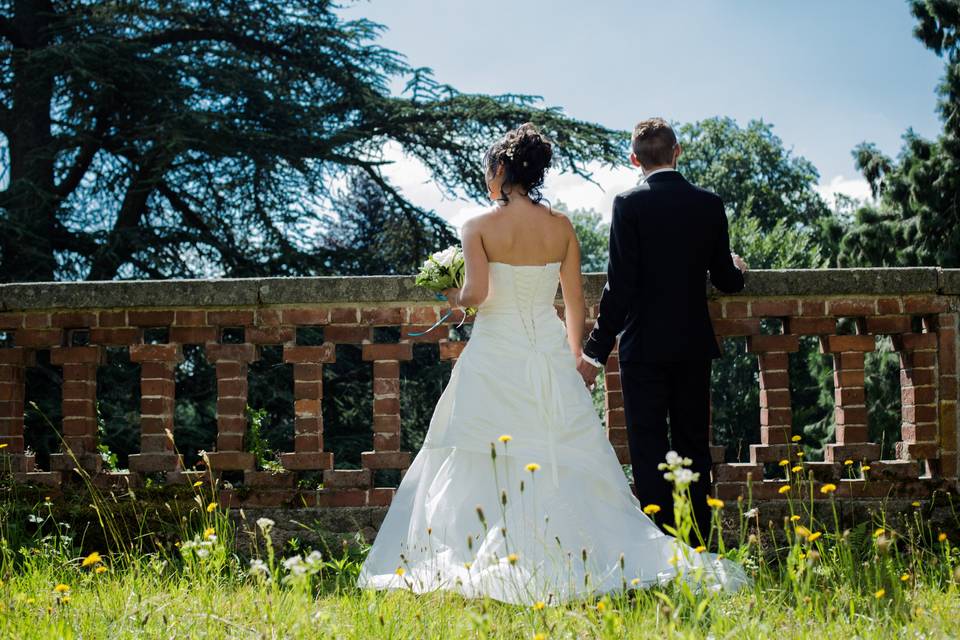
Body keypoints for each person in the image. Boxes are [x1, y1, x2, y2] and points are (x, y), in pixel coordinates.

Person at [357, 123, 747, 605]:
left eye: (489, 171)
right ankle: (662, 544)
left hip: (495, 354)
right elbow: (576, 305)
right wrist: (573, 359)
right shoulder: (562, 226)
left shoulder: (476, 225)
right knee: (588, 451)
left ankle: (482, 544)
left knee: (478, 450)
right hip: (551, 348)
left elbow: (476, 295)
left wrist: (448, 291)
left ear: (501, 170)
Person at [576, 117, 748, 539]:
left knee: (649, 451)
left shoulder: (628, 205)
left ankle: (659, 545)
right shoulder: (708, 203)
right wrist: (740, 271)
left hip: (643, 350)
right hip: (692, 346)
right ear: (677, 152)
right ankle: (698, 543)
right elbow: (726, 279)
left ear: (634, 158)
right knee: (693, 449)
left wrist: (593, 352)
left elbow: (620, 288)